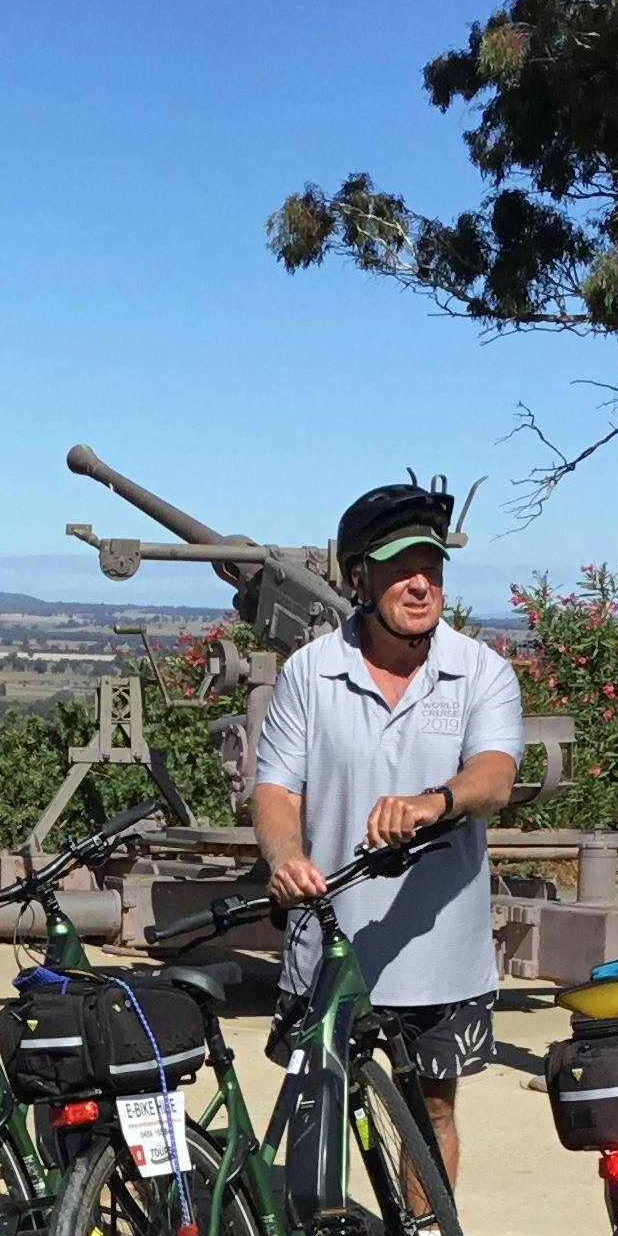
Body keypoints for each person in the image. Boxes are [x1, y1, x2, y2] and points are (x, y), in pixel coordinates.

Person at [250, 478, 523, 1183]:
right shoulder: (311, 673)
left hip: (442, 952)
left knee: (432, 1112)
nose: (419, 584)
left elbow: (495, 775)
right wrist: (286, 859)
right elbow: (277, 787)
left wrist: (438, 801)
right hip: (328, 946)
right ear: (359, 578)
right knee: (317, 1108)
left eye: (430, 569)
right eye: (401, 569)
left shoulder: (481, 672)